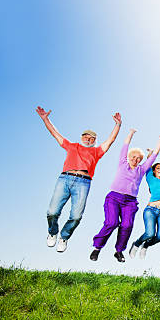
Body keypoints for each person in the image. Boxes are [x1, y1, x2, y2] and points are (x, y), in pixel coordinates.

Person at [38, 106, 122, 252]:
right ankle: (52, 233)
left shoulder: (97, 152)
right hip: (65, 179)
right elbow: (54, 133)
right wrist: (46, 119)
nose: (88, 140)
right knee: (52, 212)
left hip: (83, 183)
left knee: (76, 216)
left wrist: (118, 125)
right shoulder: (71, 146)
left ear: (95, 141)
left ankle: (64, 237)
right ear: (82, 137)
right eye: (86, 137)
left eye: (92, 139)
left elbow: (111, 140)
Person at [90, 131, 160, 262]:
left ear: (141, 161)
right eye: (133, 157)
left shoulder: (141, 170)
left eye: (138, 159)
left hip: (130, 202)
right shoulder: (122, 163)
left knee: (127, 225)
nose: (135, 160)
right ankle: (97, 248)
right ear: (129, 157)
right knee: (111, 223)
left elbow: (153, 156)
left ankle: (118, 251)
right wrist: (131, 133)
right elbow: (125, 145)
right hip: (114, 198)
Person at [128, 147, 160, 259]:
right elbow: (148, 165)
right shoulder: (150, 178)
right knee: (150, 233)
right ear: (154, 171)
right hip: (151, 210)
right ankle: (136, 244)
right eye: (158, 168)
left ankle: (146, 245)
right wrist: (150, 155)